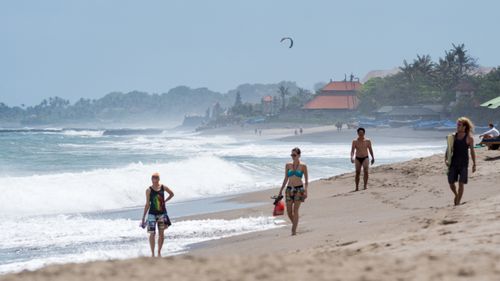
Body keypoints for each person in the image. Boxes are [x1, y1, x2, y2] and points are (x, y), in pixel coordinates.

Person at [141, 172, 174, 257]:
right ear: (151, 179)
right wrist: (143, 216)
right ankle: (152, 254)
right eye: (153, 179)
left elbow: (172, 194)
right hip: (151, 214)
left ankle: (159, 252)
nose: (154, 180)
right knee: (152, 233)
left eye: (156, 178)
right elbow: (147, 204)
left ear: (159, 179)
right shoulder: (148, 190)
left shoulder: (163, 187)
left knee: (161, 234)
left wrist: (165, 201)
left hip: (161, 214)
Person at [445, 117, 476, 206]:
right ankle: (456, 195)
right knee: (451, 183)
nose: (457, 126)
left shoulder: (469, 138)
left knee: (461, 184)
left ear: (464, 127)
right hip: (453, 163)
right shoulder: (453, 136)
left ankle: (458, 202)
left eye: (459, 125)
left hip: (463, 164)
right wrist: (446, 159)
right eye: (457, 124)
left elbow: (472, 151)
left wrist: (474, 164)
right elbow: (448, 149)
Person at [277, 147, 308, 236]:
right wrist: (281, 190)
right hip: (289, 189)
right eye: (291, 155)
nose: (292, 157)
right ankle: (295, 225)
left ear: (299, 155)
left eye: (294, 155)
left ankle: (293, 231)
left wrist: (306, 191)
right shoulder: (287, 165)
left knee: (296, 210)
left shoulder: (303, 166)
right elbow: (286, 178)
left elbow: (306, 180)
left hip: (299, 189)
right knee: (289, 212)